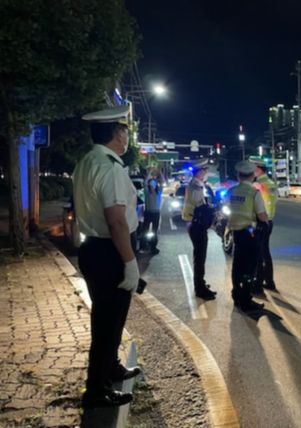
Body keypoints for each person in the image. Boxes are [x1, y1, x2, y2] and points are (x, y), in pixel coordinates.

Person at [73, 105, 141, 408]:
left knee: (109, 318)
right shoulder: (110, 168)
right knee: (107, 323)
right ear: (117, 134)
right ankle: (96, 391)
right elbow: (116, 221)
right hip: (110, 250)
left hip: (93, 249)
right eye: (124, 131)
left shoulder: (87, 162)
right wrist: (129, 263)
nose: (126, 137)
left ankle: (110, 367)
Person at [227, 160, 269, 312]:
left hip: (236, 234)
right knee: (249, 269)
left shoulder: (231, 191)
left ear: (238, 176)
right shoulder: (254, 193)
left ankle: (236, 295)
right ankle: (246, 300)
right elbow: (262, 216)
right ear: (252, 176)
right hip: (250, 235)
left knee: (237, 267)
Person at [181, 159, 216, 300]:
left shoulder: (198, 184)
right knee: (200, 257)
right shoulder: (196, 186)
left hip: (195, 224)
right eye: (205, 170)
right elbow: (200, 206)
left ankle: (200, 283)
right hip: (196, 224)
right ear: (200, 171)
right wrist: (211, 209)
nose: (206, 172)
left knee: (200, 256)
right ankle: (199, 289)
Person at [252, 159, 278, 292]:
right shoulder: (271, 183)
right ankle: (269, 281)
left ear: (259, 168)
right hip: (269, 221)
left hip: (261, 221)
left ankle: (259, 282)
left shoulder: (259, 184)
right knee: (265, 252)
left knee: (258, 253)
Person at [142, 174, 163, 255]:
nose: (152, 186)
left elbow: (162, 182)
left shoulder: (159, 192)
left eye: (153, 184)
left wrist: (160, 173)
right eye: (151, 184)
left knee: (154, 231)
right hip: (148, 213)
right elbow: (144, 183)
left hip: (156, 213)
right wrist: (150, 173)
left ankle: (153, 247)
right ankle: (143, 246)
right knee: (145, 230)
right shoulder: (147, 192)